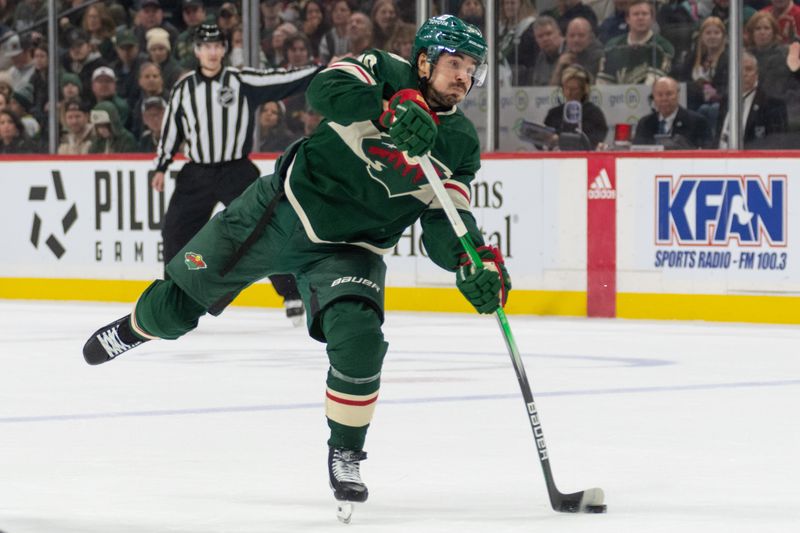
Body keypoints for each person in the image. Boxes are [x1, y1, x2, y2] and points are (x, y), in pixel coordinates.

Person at [82, 14, 510, 513]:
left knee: (360, 339)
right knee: (174, 309)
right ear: (423, 60)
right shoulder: (382, 69)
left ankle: (346, 452)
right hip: (282, 210)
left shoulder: (459, 145)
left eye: (471, 69)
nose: (463, 77)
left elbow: (446, 218)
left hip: (354, 248)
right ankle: (136, 328)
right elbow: (324, 91)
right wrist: (388, 105)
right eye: (454, 63)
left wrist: (472, 260)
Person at [150, 24, 319, 324]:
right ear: (197, 50)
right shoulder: (184, 88)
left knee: (266, 228)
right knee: (175, 232)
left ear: (224, 49)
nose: (212, 52)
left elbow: (282, 79)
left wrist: (320, 70)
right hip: (197, 173)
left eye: (217, 46)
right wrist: (161, 165)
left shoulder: (242, 81)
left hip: (236, 170)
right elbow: (171, 131)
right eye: (206, 46)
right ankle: (174, 297)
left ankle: (291, 293)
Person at [716, 52, 788, 148]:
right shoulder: (726, 100)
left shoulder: (772, 105)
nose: (744, 74)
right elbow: (717, 137)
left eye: (748, 69)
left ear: (757, 74)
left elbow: (776, 144)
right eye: (739, 69)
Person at [597, 0, 675, 85]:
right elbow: (603, 83)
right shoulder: (612, 46)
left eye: (644, 14)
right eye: (636, 14)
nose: (640, 18)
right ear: (627, 19)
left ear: (652, 19)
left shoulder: (662, 46)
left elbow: (652, 84)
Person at [632, 76, 711, 148]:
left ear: (678, 95)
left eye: (669, 94)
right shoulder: (645, 123)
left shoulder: (697, 122)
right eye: (659, 95)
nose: (664, 99)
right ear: (654, 97)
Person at [544, 64, 608, 148]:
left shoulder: (594, 114)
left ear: (584, 89)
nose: (569, 93)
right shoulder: (554, 114)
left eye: (574, 89)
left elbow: (595, 140)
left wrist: (562, 139)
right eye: (566, 88)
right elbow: (542, 143)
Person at [549, 16, 604, 83]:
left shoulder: (599, 56)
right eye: (572, 36)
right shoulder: (563, 53)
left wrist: (575, 67)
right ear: (566, 37)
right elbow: (551, 89)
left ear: (590, 38)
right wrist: (559, 67)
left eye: (581, 35)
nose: (576, 40)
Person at [529, 15, 565, 85]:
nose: (545, 39)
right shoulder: (541, 57)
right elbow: (536, 88)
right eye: (540, 36)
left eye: (549, 34)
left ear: (559, 33)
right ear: (536, 40)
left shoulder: (571, 50)